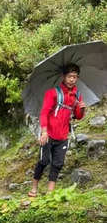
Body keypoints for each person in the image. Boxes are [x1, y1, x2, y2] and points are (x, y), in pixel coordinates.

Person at [29, 63, 86, 197]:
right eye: (70, 76)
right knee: (43, 161)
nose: (72, 79)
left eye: (75, 77)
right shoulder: (52, 93)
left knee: (58, 164)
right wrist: (44, 132)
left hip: (63, 136)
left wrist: (82, 108)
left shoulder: (77, 95)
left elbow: (77, 117)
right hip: (48, 134)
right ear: (64, 76)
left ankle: (50, 192)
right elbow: (43, 113)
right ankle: (34, 187)